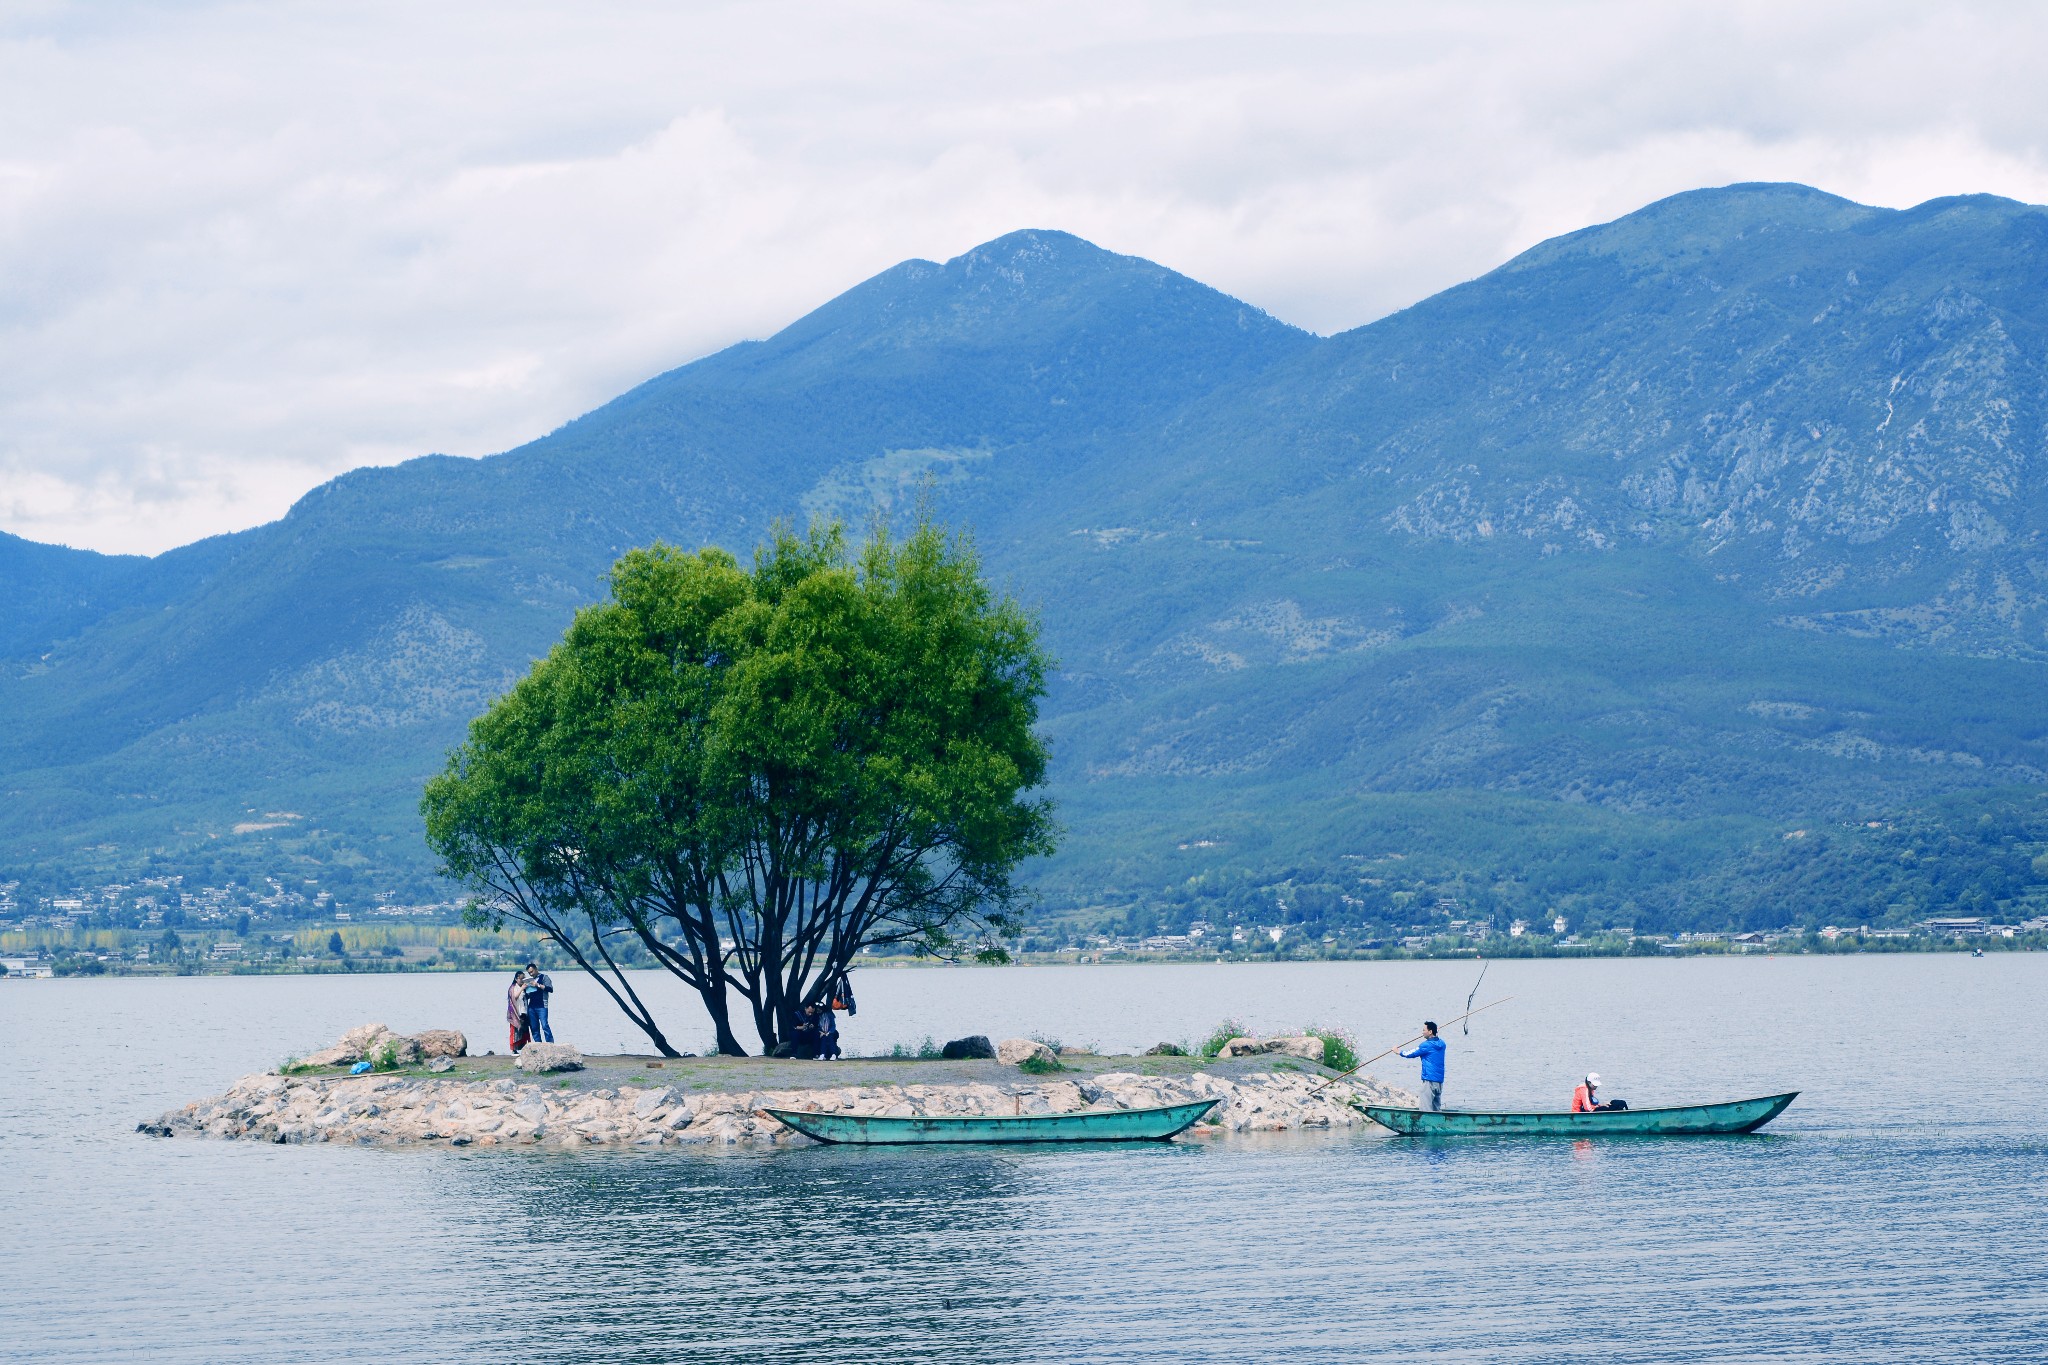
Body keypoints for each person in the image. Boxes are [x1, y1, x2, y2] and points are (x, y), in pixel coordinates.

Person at [1398, 1021, 1447, 1111]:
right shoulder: (1442, 1044)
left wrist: (1398, 1052)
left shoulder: (1426, 1045)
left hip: (1429, 1080)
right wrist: (1435, 1033)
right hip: (1439, 1081)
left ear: (1430, 1031)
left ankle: (1426, 1125)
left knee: (1426, 1108)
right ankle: (1437, 1124)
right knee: (1436, 1108)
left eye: (1424, 1030)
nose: (1422, 1032)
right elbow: (1436, 1040)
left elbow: (1411, 1054)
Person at [522, 960, 555, 1043]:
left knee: (545, 1025)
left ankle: (550, 1043)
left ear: (536, 969)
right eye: (529, 973)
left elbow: (550, 989)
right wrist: (525, 989)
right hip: (532, 1006)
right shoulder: (529, 980)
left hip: (542, 1005)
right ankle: (538, 1044)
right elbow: (528, 996)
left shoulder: (544, 977)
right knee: (534, 1027)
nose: (531, 974)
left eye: (532, 971)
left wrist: (537, 985)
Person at [506, 968, 531, 1052]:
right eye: (521, 979)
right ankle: (513, 1049)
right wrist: (521, 989)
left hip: (523, 1011)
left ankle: (525, 1048)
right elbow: (514, 997)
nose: (522, 980)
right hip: (515, 1013)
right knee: (515, 1031)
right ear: (516, 979)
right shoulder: (512, 987)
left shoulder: (523, 988)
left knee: (524, 1032)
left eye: (523, 979)